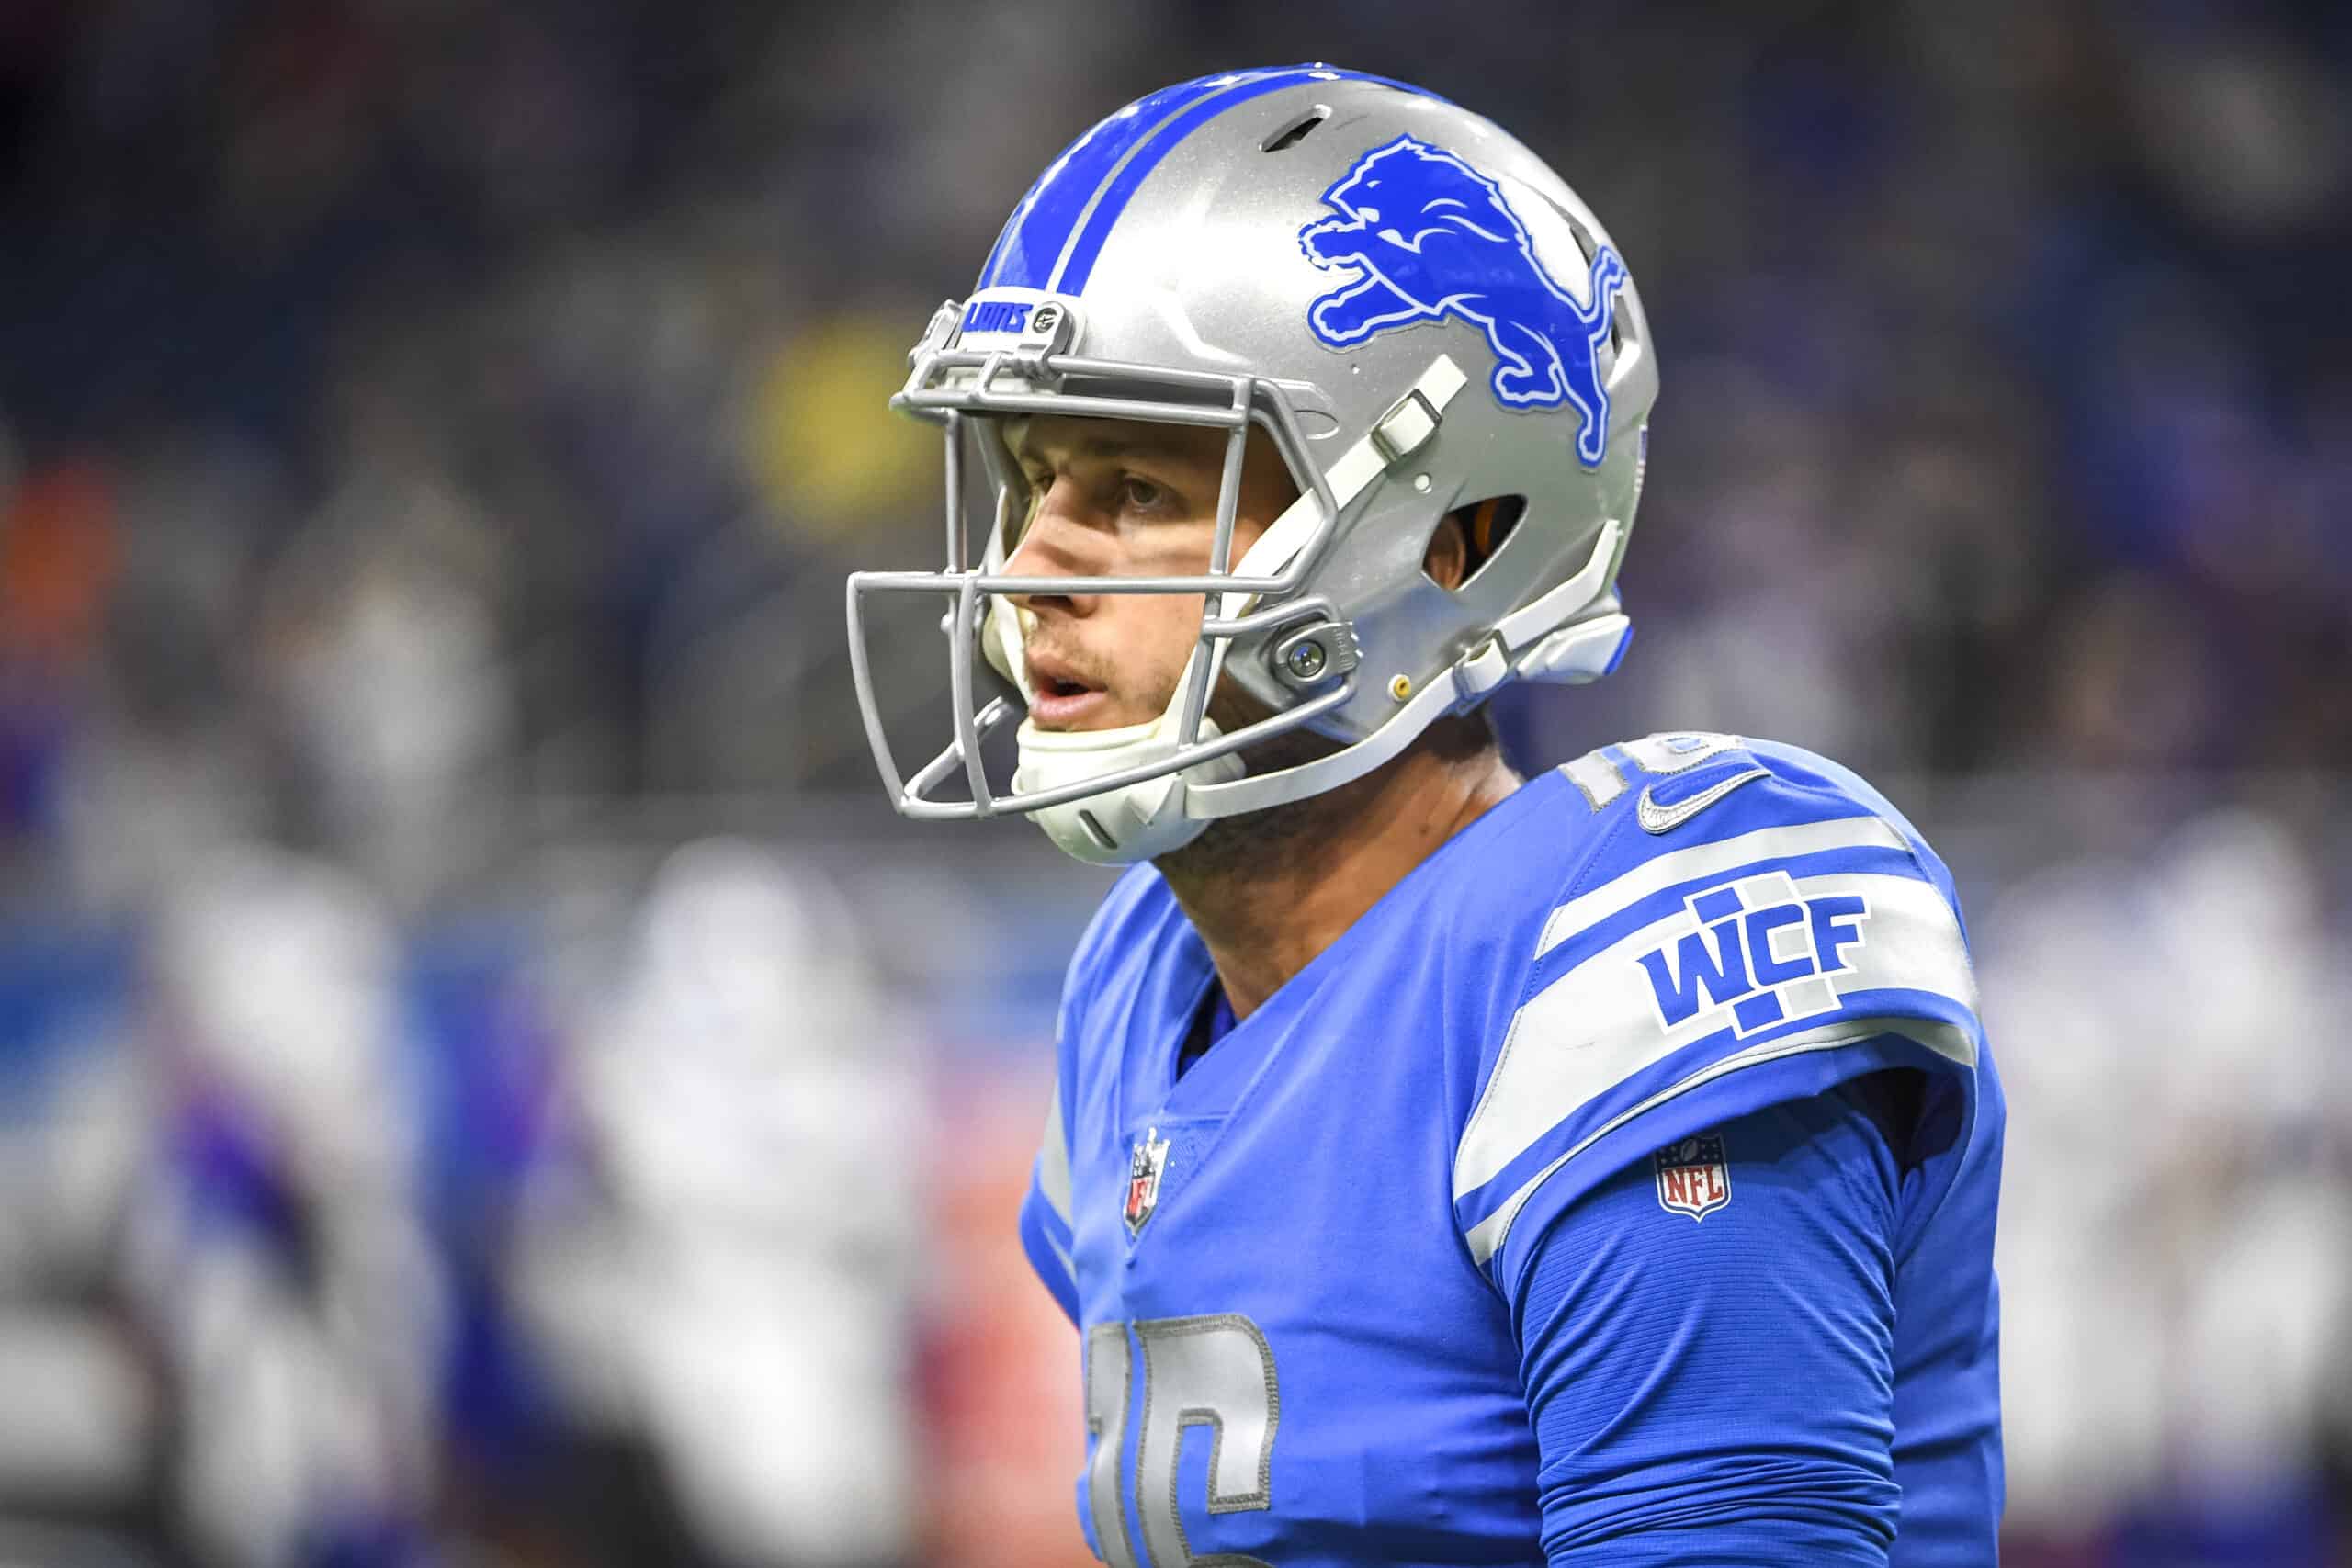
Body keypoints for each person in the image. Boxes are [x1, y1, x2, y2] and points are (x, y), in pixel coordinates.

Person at [846, 64, 2003, 1568]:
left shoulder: (1629, 943)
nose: (1027, 572)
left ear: (1449, 542)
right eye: (1035, 480)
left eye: (1131, 488)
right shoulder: (1140, 982)